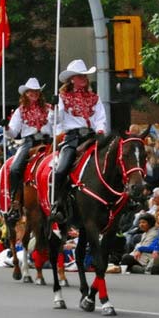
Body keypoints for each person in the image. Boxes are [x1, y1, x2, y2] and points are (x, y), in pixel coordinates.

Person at [50, 59, 106, 223]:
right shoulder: (62, 97)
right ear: (72, 79)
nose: (84, 79)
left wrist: (101, 130)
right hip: (73, 138)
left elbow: (100, 117)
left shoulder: (94, 98)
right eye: (80, 76)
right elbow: (57, 119)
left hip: (92, 136)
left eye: (85, 76)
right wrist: (55, 107)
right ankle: (58, 204)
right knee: (61, 170)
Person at [2, 77, 53, 217]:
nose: (34, 94)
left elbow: (56, 124)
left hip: (48, 141)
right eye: (31, 92)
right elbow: (13, 132)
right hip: (29, 142)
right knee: (14, 168)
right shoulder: (20, 111)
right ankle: (15, 200)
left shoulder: (49, 108)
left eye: (36, 91)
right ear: (25, 93)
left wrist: (57, 110)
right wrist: (6, 127)